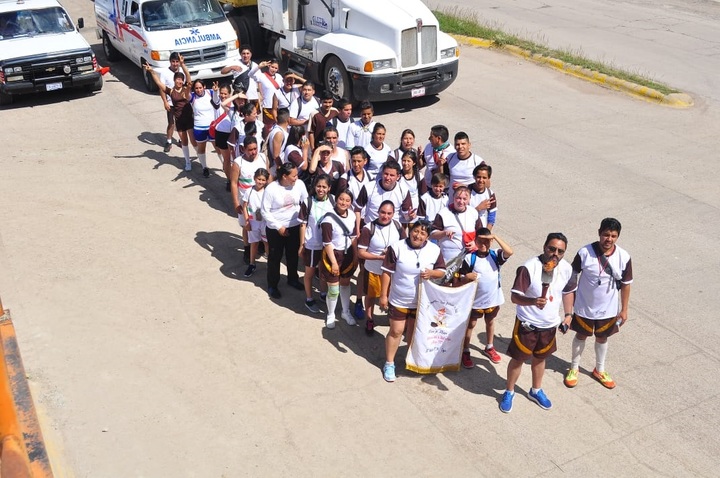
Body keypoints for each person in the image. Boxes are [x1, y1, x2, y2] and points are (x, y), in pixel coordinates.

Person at [500, 233, 576, 413]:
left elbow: (568, 292)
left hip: (549, 325)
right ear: (544, 247)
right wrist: (533, 301)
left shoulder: (566, 269)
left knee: (540, 359)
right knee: (518, 360)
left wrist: (568, 314)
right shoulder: (528, 268)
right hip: (527, 324)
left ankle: (535, 390)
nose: (555, 254)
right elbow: (514, 297)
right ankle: (509, 391)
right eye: (552, 249)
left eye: (560, 251)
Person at [564, 218, 633, 389]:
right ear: (599, 233)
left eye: (613, 236)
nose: (608, 239)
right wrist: (568, 309)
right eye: (605, 235)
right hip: (583, 307)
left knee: (602, 338)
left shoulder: (624, 257)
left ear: (617, 237)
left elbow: (626, 284)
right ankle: (574, 368)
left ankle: (599, 370)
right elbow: (571, 278)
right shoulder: (585, 252)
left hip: (608, 310)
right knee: (581, 335)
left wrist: (624, 310)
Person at [379, 220, 446, 382]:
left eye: (423, 233)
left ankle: (410, 360)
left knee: (414, 334)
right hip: (399, 299)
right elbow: (387, 273)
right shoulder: (396, 247)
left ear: (428, 237)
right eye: (416, 231)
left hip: (422, 302)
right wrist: (383, 295)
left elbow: (442, 271)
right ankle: (389, 363)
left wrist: (432, 273)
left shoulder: (434, 250)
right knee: (396, 331)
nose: (418, 235)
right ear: (410, 230)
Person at [457, 228, 513, 367]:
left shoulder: (495, 256)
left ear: (492, 241)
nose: (483, 244)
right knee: (471, 324)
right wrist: (466, 277)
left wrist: (495, 236)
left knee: (490, 322)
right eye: (480, 241)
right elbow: (459, 279)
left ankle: (489, 347)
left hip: (493, 299)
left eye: (487, 241)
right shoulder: (470, 258)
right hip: (475, 301)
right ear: (475, 241)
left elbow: (509, 252)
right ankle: (465, 350)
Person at [357, 200, 406, 335]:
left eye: (389, 213)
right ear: (378, 212)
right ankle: (369, 319)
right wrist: (380, 257)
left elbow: (405, 245)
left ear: (393, 214)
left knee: (393, 297)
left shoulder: (398, 226)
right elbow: (361, 253)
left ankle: (393, 320)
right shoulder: (369, 228)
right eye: (383, 212)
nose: (385, 216)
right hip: (373, 269)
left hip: (392, 272)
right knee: (371, 296)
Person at [260, 162, 308, 299]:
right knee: (275, 257)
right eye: (294, 176)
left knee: (292, 255)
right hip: (276, 229)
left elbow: (305, 202)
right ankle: (272, 285)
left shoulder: (299, 184)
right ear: (285, 176)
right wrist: (278, 227)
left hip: (295, 227)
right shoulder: (271, 189)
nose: (296, 178)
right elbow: (265, 211)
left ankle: (292, 278)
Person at [320, 189, 359, 328]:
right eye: (341, 199)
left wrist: (355, 256)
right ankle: (330, 314)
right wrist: (334, 263)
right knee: (333, 288)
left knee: (345, 283)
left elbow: (353, 236)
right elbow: (327, 243)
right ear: (336, 199)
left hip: (347, 254)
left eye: (347, 200)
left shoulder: (352, 216)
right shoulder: (328, 219)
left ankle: (345, 311)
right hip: (333, 255)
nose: (344, 203)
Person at [144, 59, 193, 168]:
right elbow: (158, 83)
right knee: (184, 142)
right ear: (174, 80)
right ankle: (188, 162)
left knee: (194, 143)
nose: (179, 81)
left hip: (190, 119)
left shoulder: (186, 89)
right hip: (179, 120)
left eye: (181, 80)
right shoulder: (171, 91)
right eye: (177, 79)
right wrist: (151, 71)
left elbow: (188, 76)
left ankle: (201, 159)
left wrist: (182, 64)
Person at [230, 136, 270, 264]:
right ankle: (247, 250)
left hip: (262, 201)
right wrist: (236, 202)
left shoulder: (263, 158)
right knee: (247, 226)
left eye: (255, 148)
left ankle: (261, 247)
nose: (253, 152)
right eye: (250, 150)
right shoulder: (238, 162)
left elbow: (268, 178)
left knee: (263, 225)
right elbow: (234, 183)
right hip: (246, 201)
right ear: (244, 149)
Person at [298, 174, 335, 313]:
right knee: (310, 273)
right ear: (314, 187)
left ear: (329, 188)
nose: (321, 189)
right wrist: (302, 245)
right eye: (318, 186)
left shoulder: (333, 201)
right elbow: (302, 225)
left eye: (324, 187)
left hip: (327, 245)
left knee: (324, 272)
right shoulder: (308, 202)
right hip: (312, 244)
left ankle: (323, 294)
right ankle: (309, 299)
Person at [430, 186, 482, 263]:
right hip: (448, 259)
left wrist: (475, 244)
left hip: (469, 258)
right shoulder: (443, 213)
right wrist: (444, 233)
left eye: (464, 199)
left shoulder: (473, 212)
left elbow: (481, 233)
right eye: (458, 198)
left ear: (469, 200)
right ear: (453, 197)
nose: (461, 201)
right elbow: (432, 234)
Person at [241, 168, 270, 277]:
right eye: (259, 179)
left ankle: (270, 263)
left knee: (267, 243)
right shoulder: (249, 191)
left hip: (265, 222)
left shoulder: (267, 192)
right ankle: (252, 264)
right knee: (254, 243)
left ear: (266, 180)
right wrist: (247, 221)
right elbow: (245, 207)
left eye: (263, 180)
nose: (261, 182)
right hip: (253, 221)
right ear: (254, 178)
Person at [189, 79, 220, 177]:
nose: (198, 90)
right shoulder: (192, 96)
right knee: (201, 149)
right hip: (199, 128)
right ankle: (204, 167)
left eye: (200, 88)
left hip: (212, 127)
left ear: (204, 87)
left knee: (218, 148)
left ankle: (225, 165)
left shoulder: (210, 92)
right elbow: (186, 95)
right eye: (196, 88)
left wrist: (216, 91)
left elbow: (217, 102)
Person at [158, 51, 186, 153]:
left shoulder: (182, 72)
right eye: (173, 61)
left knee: (182, 123)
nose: (175, 64)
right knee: (171, 123)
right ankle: (169, 141)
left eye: (177, 61)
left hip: (181, 103)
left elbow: (185, 87)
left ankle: (181, 140)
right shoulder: (164, 73)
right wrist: (165, 101)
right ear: (170, 62)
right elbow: (162, 89)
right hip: (170, 103)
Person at [443, 132, 486, 197]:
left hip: (471, 200)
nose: (460, 147)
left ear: (469, 145)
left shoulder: (478, 162)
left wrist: (465, 186)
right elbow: (443, 178)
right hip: (453, 200)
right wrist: (440, 165)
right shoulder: (449, 158)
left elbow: (486, 184)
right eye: (457, 144)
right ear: (454, 146)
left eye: (463, 144)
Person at [252, 58, 283, 138]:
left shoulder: (279, 77)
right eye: (272, 67)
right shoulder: (262, 76)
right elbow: (250, 74)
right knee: (268, 129)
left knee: (279, 128)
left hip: (278, 107)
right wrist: (259, 67)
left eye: (276, 68)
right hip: (268, 107)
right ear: (269, 66)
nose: (274, 69)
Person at [398, 149, 426, 229]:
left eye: (408, 161)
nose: (405, 163)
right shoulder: (398, 176)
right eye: (404, 160)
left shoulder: (419, 176)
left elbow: (424, 195)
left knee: (413, 231)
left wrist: (421, 212)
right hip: (400, 208)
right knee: (401, 231)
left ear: (413, 163)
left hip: (414, 209)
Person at [469, 163, 497, 230]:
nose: (481, 180)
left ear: (488, 178)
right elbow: (461, 212)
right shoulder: (466, 191)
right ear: (474, 177)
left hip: (481, 229)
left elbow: (491, 217)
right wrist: (478, 208)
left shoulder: (490, 194)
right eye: (478, 177)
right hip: (466, 227)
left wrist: (486, 232)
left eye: (484, 178)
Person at [267, 108, 290, 176]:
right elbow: (276, 155)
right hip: (276, 169)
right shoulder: (279, 133)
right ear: (288, 119)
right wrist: (281, 168)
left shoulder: (279, 130)